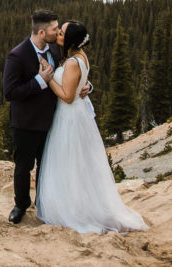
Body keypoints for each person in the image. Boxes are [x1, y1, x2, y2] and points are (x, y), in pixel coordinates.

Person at [35, 21, 148, 234]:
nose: (58, 34)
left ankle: (74, 209)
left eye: (62, 33)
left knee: (70, 162)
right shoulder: (81, 56)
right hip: (79, 115)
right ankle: (82, 203)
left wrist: (48, 79)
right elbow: (79, 83)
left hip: (69, 117)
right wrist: (86, 86)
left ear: (70, 40)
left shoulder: (71, 63)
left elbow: (68, 97)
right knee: (81, 163)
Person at [2, 9, 91, 224]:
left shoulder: (55, 48)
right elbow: (10, 92)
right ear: (42, 33)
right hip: (26, 122)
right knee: (23, 166)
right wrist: (40, 81)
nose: (58, 32)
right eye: (54, 29)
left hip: (53, 121)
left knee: (47, 165)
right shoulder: (18, 55)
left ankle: (44, 203)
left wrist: (87, 85)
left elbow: (73, 73)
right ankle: (21, 205)